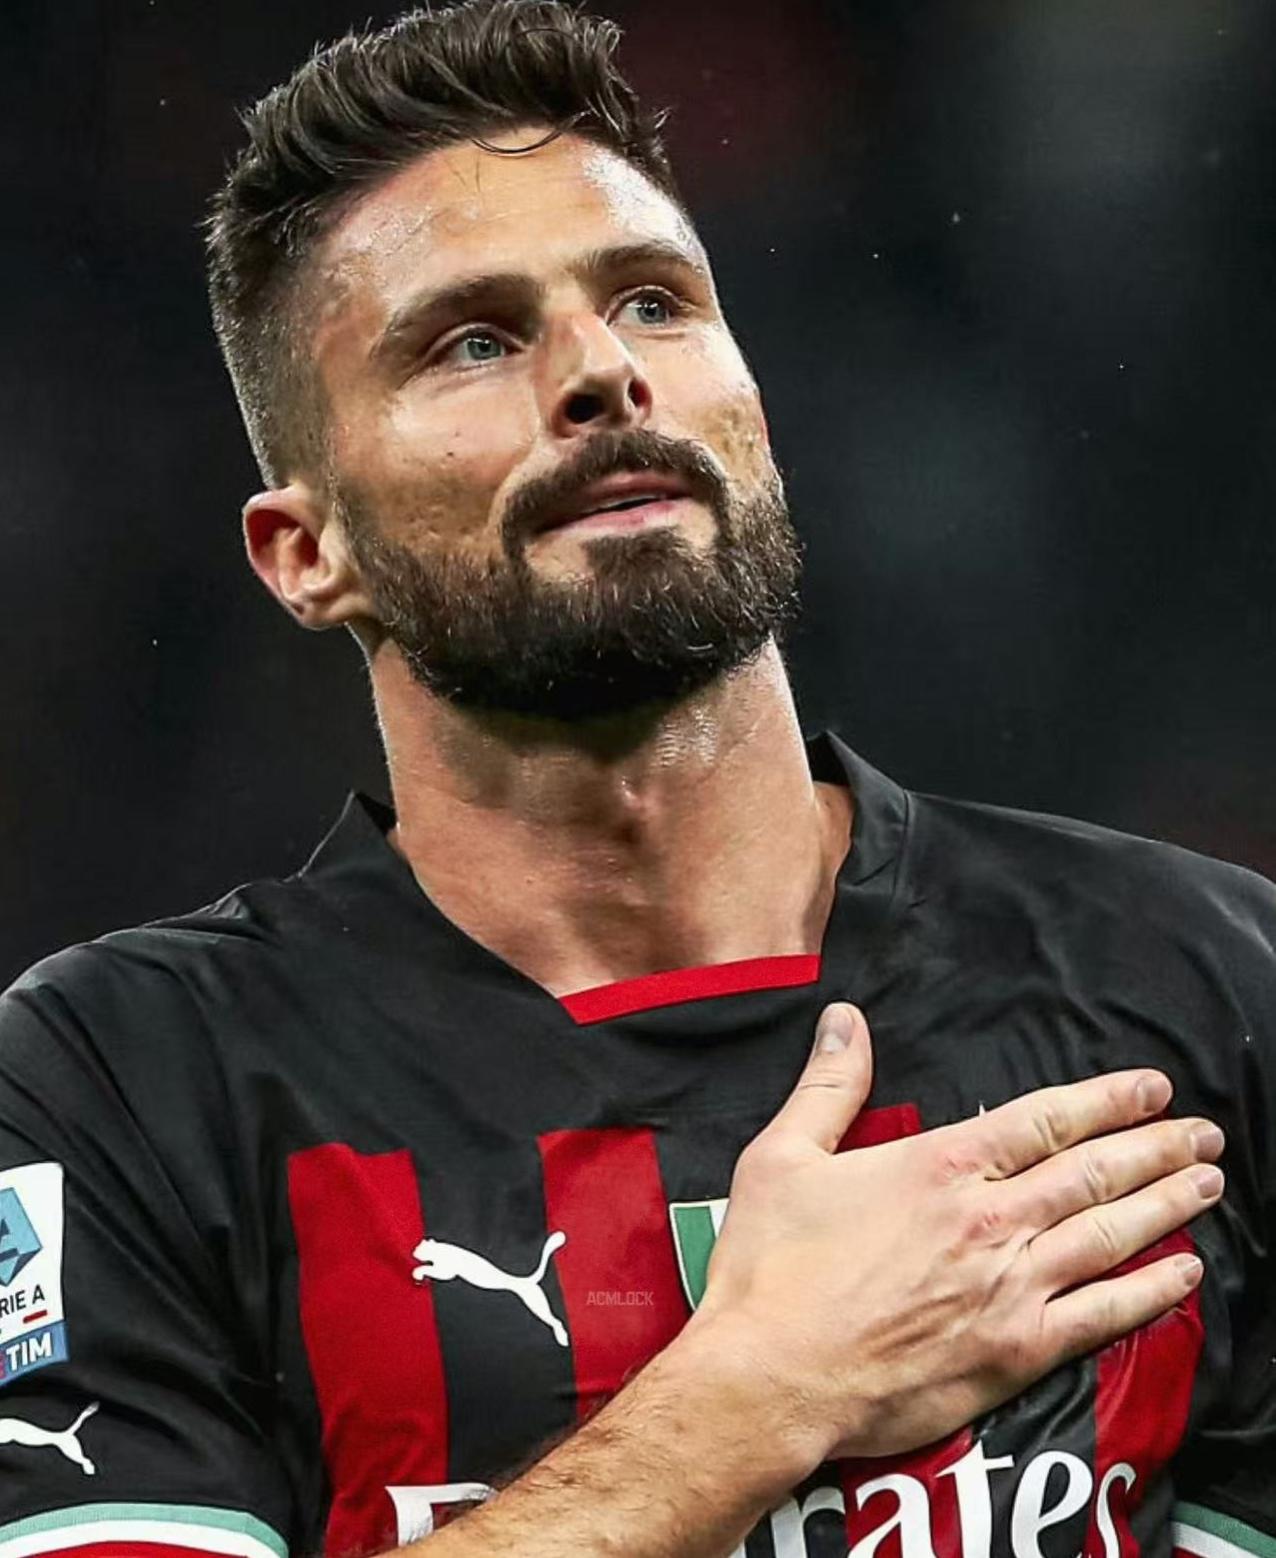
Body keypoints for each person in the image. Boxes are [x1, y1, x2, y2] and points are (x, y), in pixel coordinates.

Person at [0, 2, 1269, 1555]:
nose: (602, 372)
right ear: (307, 552)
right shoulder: (124, 1087)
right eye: (473, 341)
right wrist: (756, 1392)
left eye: (656, 302)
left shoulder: (1205, 986)